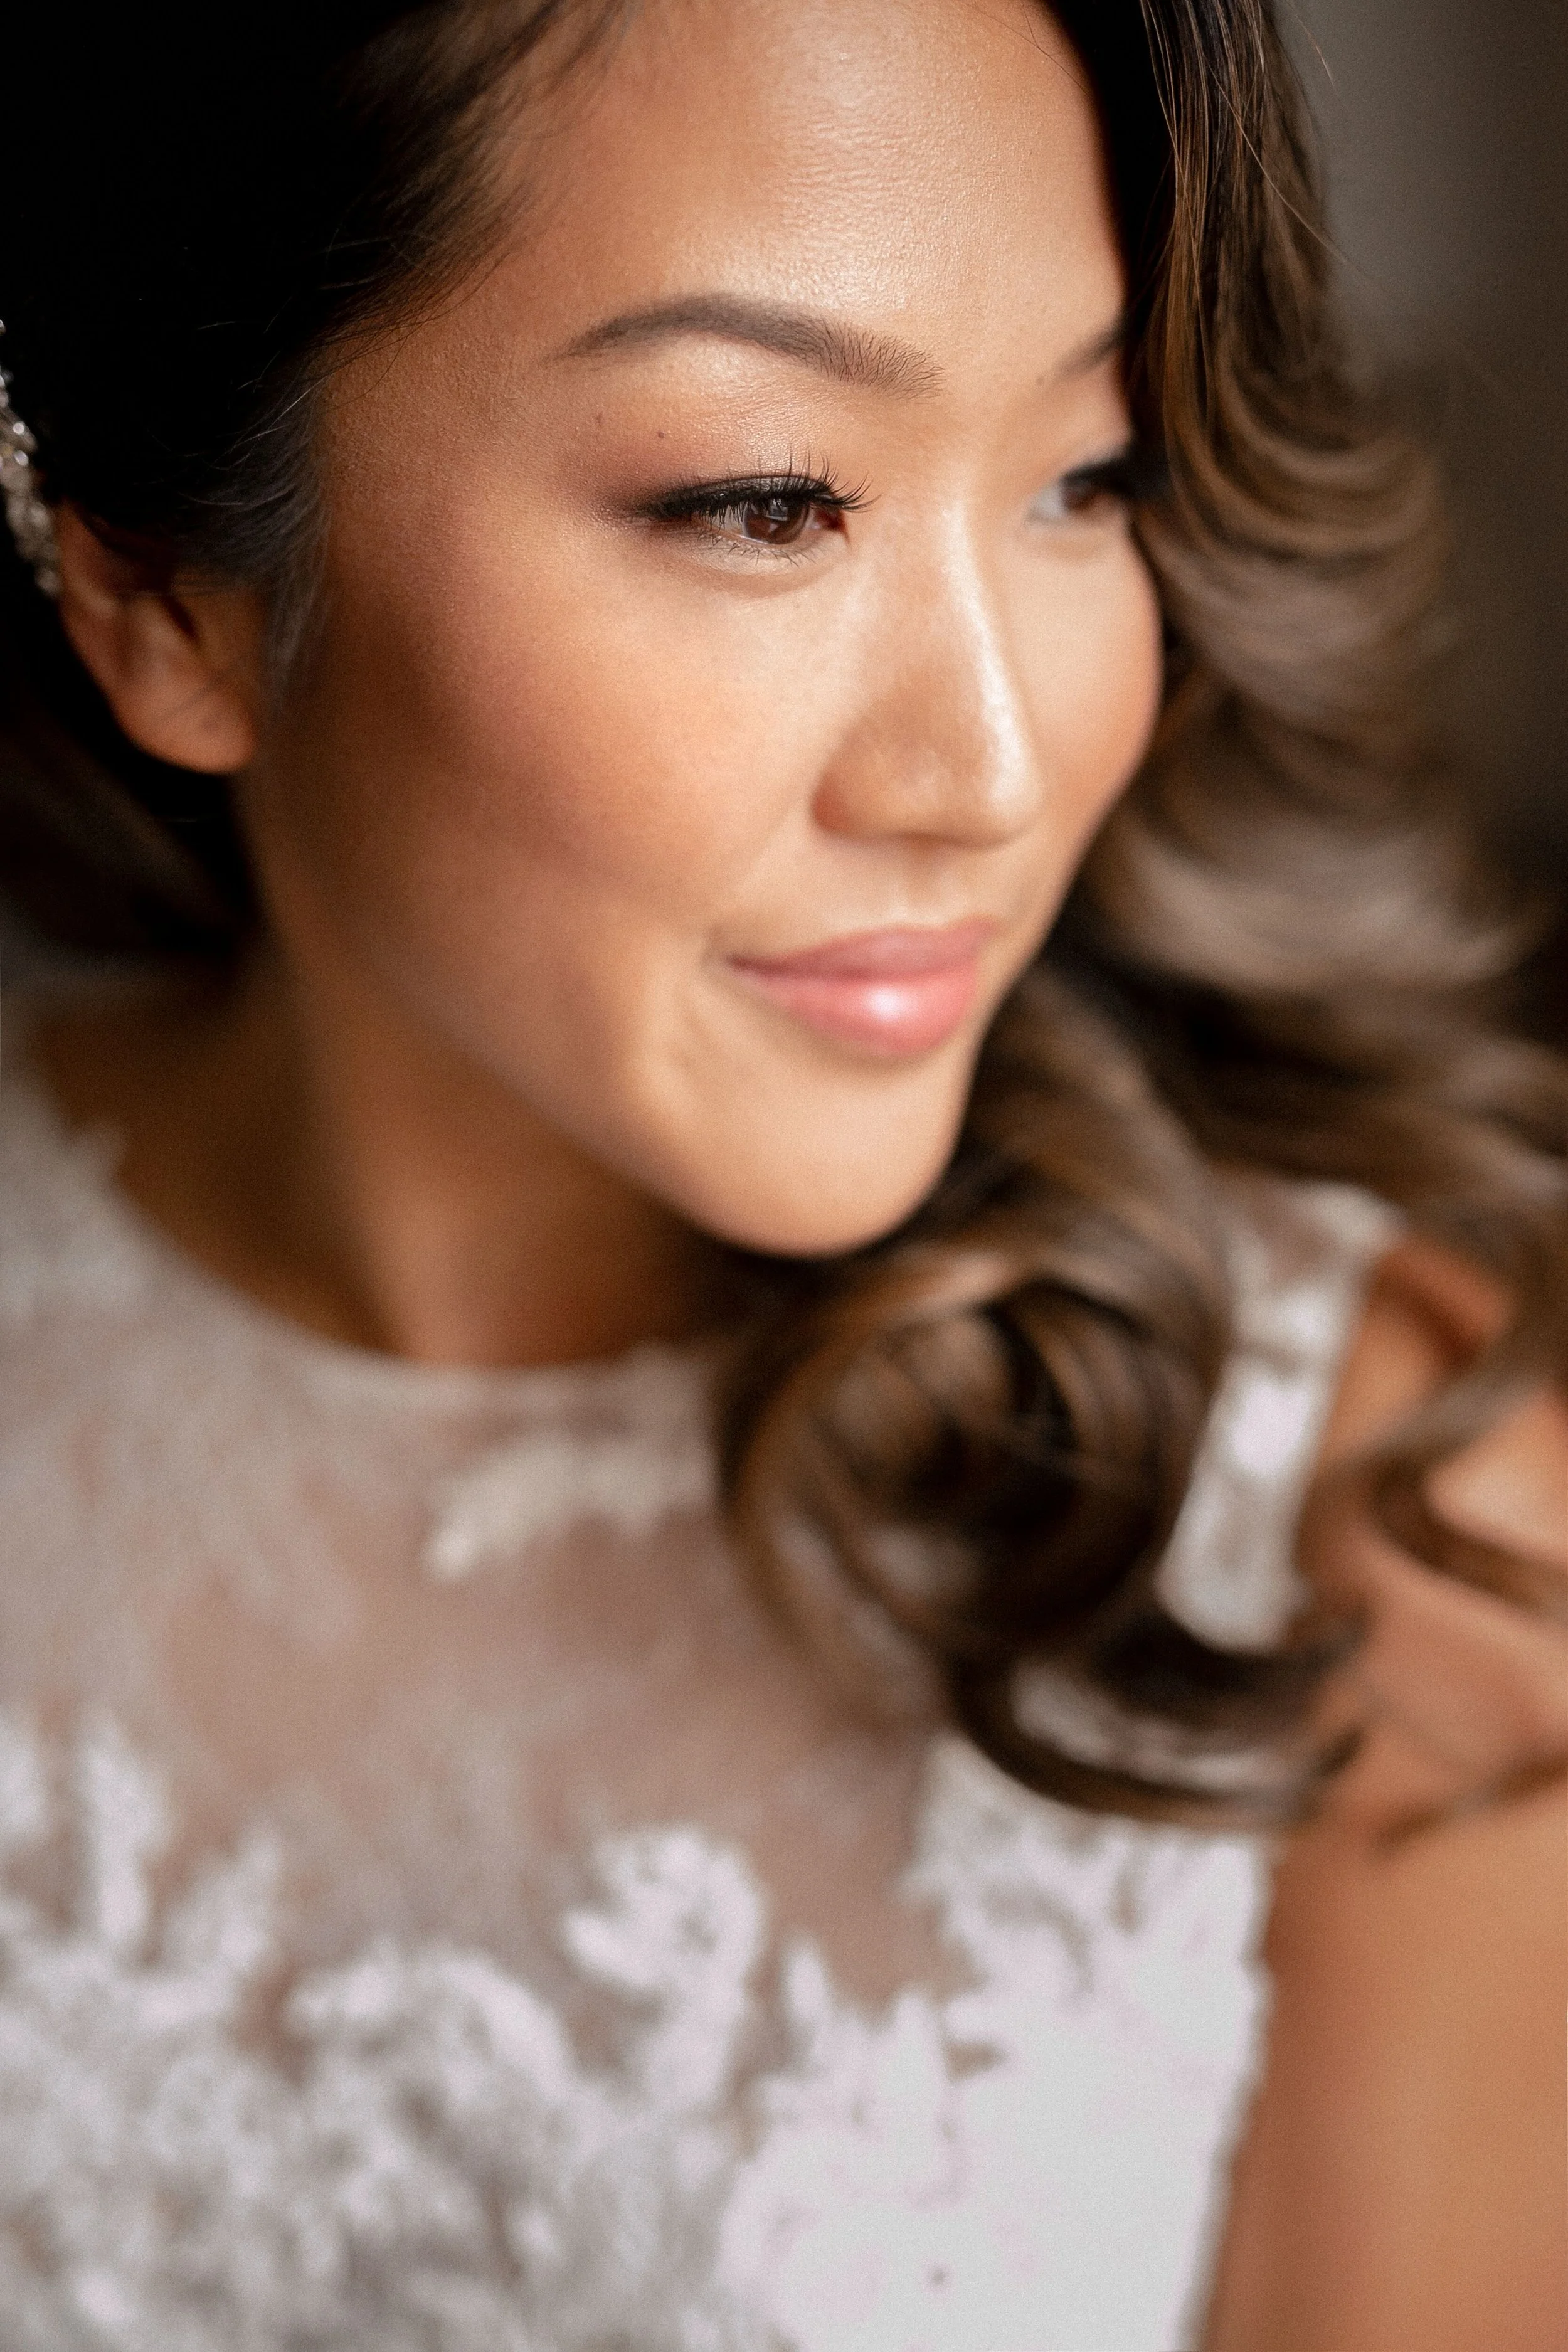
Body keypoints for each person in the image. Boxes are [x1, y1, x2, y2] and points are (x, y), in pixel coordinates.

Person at [0, 1, 1562, 2344]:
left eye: (1087, 477)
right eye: (766, 501)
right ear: (164, 594)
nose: (993, 766)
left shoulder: (1388, 1546)